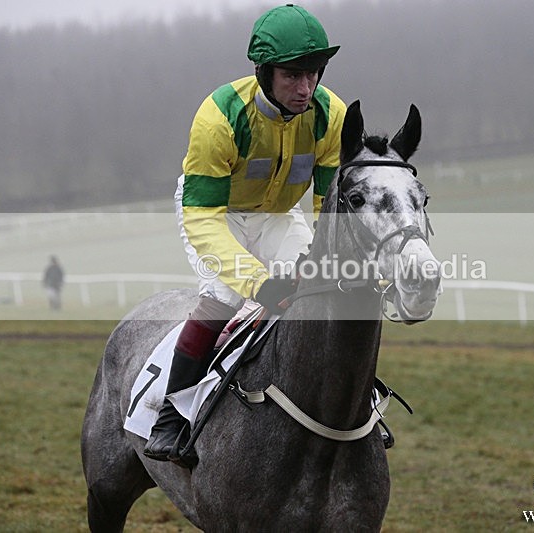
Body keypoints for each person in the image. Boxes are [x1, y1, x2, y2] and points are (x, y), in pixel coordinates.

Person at [144, 4, 346, 462]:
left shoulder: (329, 114)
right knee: (224, 296)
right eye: (293, 76)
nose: (306, 88)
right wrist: (258, 282)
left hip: (276, 215)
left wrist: (328, 262)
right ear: (263, 72)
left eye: (313, 74)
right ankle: (172, 416)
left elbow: (327, 208)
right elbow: (203, 217)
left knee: (316, 287)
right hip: (216, 214)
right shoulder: (218, 118)